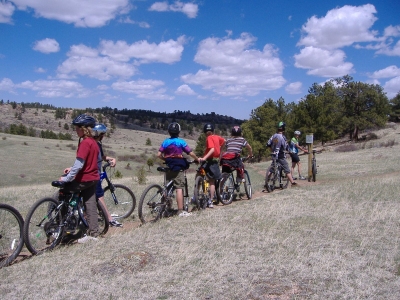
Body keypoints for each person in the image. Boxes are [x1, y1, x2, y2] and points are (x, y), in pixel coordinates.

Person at [60, 114, 100, 243]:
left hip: (83, 179)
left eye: (77, 128)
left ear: (84, 129)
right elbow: (87, 163)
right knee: (90, 204)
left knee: (63, 192)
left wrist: (66, 179)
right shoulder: (94, 142)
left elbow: (79, 164)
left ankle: (63, 226)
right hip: (93, 178)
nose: (76, 130)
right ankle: (94, 234)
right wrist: (72, 169)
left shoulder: (85, 143)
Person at [157, 122, 199, 217]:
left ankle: (165, 209)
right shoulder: (181, 142)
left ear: (169, 132)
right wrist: (197, 159)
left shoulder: (165, 142)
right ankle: (180, 211)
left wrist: (166, 159)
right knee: (179, 188)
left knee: (167, 188)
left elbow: (159, 155)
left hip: (169, 167)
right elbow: (190, 153)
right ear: (179, 132)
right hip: (178, 168)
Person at [92, 123, 122, 227]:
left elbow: (102, 156)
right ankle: (109, 218)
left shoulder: (97, 144)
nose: (103, 136)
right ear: (100, 134)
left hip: (95, 171)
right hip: (93, 173)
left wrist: (110, 158)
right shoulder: (92, 144)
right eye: (103, 134)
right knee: (99, 195)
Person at [198, 123, 225, 208]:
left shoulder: (209, 138)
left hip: (209, 160)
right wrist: (220, 150)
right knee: (212, 181)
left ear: (204, 132)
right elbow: (224, 141)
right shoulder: (217, 137)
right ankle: (211, 200)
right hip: (215, 161)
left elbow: (212, 149)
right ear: (213, 131)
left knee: (202, 176)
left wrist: (204, 158)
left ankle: (197, 196)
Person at [265, 121, 297, 187]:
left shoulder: (274, 136)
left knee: (271, 169)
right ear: (283, 128)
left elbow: (268, 144)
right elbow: (286, 147)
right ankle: (293, 183)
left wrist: (273, 151)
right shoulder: (282, 137)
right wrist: (291, 152)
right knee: (286, 169)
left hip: (274, 155)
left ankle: (266, 182)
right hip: (280, 155)